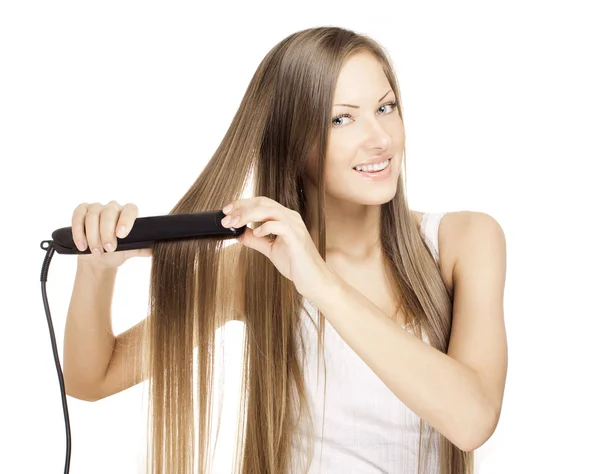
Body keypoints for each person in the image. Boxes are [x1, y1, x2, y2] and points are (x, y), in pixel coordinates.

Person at [63, 26, 507, 474]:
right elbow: (90, 378)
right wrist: (97, 271)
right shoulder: (252, 271)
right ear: (292, 144)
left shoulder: (464, 242)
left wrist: (320, 283)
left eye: (385, 108)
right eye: (341, 118)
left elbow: (472, 420)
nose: (381, 138)